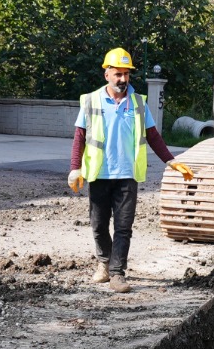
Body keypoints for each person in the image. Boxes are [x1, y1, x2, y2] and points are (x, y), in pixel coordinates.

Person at [67, 48, 193, 294]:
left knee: (124, 227)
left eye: (126, 74)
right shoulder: (92, 101)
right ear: (107, 75)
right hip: (99, 174)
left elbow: (153, 136)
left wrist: (170, 160)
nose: (122, 79)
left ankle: (117, 274)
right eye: (117, 74)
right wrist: (75, 168)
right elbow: (79, 137)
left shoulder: (138, 102)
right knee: (99, 225)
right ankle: (104, 263)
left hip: (127, 175)